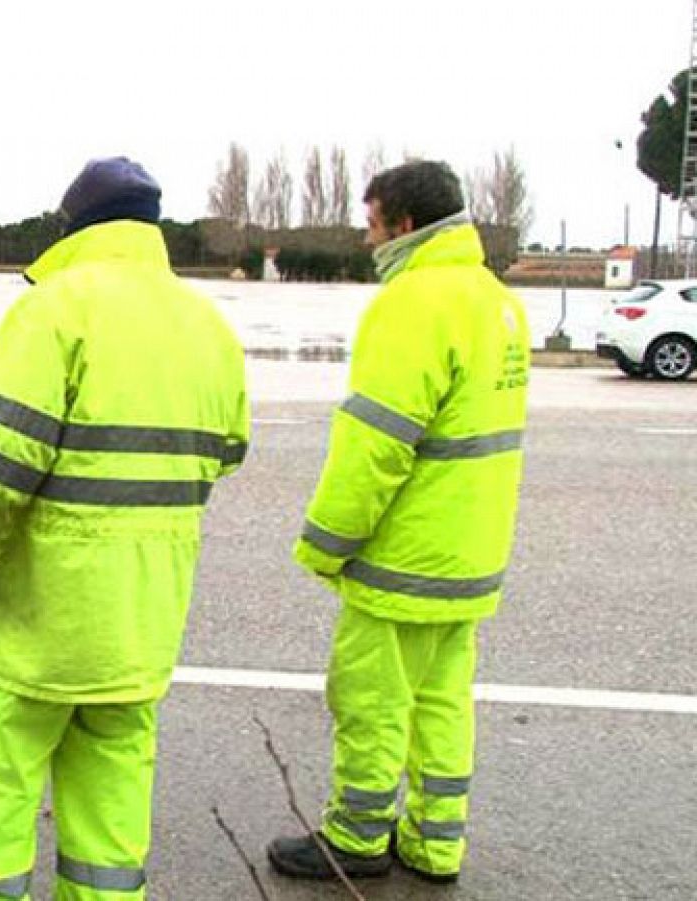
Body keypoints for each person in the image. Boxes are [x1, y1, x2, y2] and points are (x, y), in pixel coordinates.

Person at [0, 157, 250, 900]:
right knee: (110, 819)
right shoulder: (209, 326)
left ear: (74, 228)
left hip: (38, 623)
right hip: (140, 626)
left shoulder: (55, 310)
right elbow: (228, 454)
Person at [266, 160, 530, 885]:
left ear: (405, 224)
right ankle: (435, 841)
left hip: (404, 558)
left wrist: (326, 542)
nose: (367, 234)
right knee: (442, 702)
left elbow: (375, 445)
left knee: (371, 699)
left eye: (374, 220)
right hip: (471, 551)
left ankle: (355, 837)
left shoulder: (414, 302)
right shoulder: (496, 300)